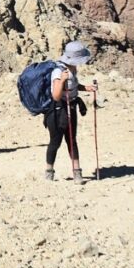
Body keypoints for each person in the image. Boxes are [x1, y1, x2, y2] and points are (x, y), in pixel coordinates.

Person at [44, 40, 97, 184]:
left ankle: (77, 173)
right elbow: (56, 95)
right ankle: (49, 171)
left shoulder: (72, 69)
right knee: (55, 142)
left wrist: (86, 88)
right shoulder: (58, 71)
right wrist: (61, 81)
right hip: (57, 111)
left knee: (72, 140)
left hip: (71, 107)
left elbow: (73, 86)